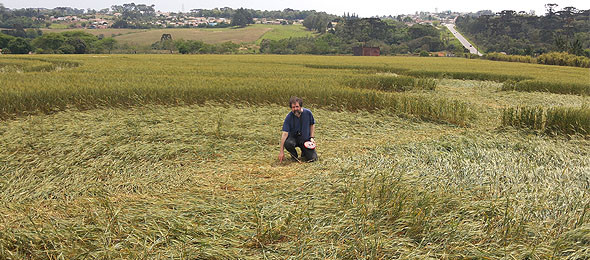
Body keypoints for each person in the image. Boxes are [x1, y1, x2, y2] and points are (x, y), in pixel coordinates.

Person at [278, 96, 317, 163]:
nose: (295, 109)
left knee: (313, 159)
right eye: (293, 107)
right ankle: (294, 156)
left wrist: (312, 137)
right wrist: (281, 151)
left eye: (297, 106)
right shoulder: (289, 117)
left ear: (300, 106)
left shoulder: (308, 113)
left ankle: (304, 153)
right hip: (294, 139)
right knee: (288, 143)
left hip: (305, 140)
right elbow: (285, 134)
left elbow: (312, 124)